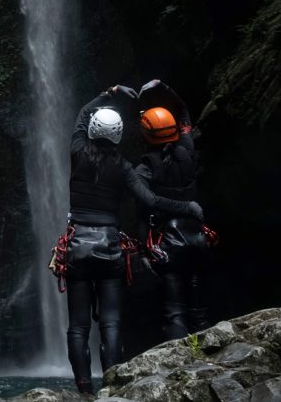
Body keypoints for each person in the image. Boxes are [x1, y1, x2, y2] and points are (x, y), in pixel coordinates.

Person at [64, 85, 203, 394]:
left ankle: (84, 390)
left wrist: (109, 93)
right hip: (110, 248)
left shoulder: (76, 151)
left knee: (78, 326)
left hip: (77, 247)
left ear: (90, 131)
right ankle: (111, 389)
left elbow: (82, 113)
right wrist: (187, 207)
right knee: (111, 324)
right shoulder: (126, 169)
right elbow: (152, 200)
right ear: (120, 135)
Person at [135, 79, 211, 341]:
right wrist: (164, 88)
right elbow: (184, 113)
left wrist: (142, 250)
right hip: (198, 237)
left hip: (168, 243)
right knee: (198, 302)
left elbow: (144, 209)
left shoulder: (144, 169)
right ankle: (208, 358)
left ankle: (180, 366)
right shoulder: (188, 151)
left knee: (174, 310)